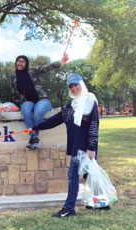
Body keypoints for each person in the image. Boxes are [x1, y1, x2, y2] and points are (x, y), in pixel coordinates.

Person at [29, 73, 101, 218]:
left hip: (86, 147)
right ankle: (102, 202)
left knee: (73, 175)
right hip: (76, 145)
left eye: (76, 85)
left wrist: (91, 147)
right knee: (89, 174)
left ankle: (69, 208)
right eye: (71, 87)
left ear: (81, 84)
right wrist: (37, 127)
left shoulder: (90, 100)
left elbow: (94, 125)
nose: (74, 89)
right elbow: (55, 120)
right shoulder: (70, 107)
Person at [11, 55, 67, 150]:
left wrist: (59, 62)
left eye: (23, 61)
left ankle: (33, 138)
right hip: (28, 101)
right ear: (16, 62)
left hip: (42, 99)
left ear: (26, 64)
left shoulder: (32, 71)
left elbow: (45, 68)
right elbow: (15, 92)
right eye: (18, 61)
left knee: (38, 111)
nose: (20, 63)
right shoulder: (13, 76)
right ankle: (35, 138)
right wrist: (14, 106)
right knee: (25, 110)